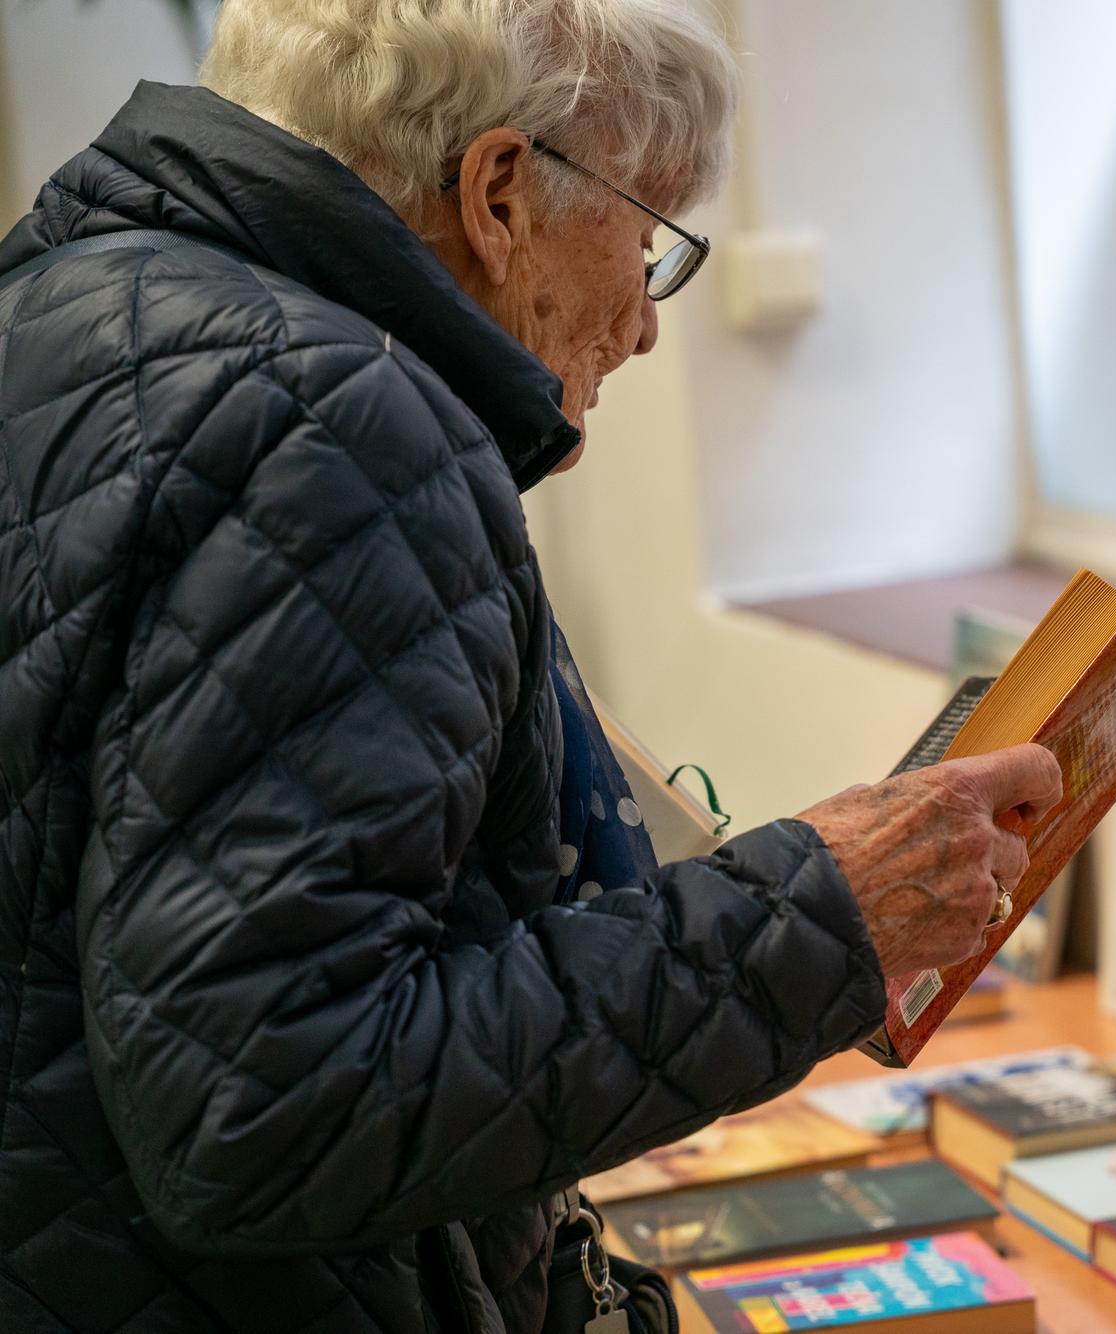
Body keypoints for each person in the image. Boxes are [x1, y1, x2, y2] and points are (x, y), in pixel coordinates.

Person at [0, 4, 1062, 1331]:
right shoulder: (340, 427)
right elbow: (268, 1106)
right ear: (499, 193)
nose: (645, 324)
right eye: (649, 239)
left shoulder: (70, 307)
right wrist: (817, 915)